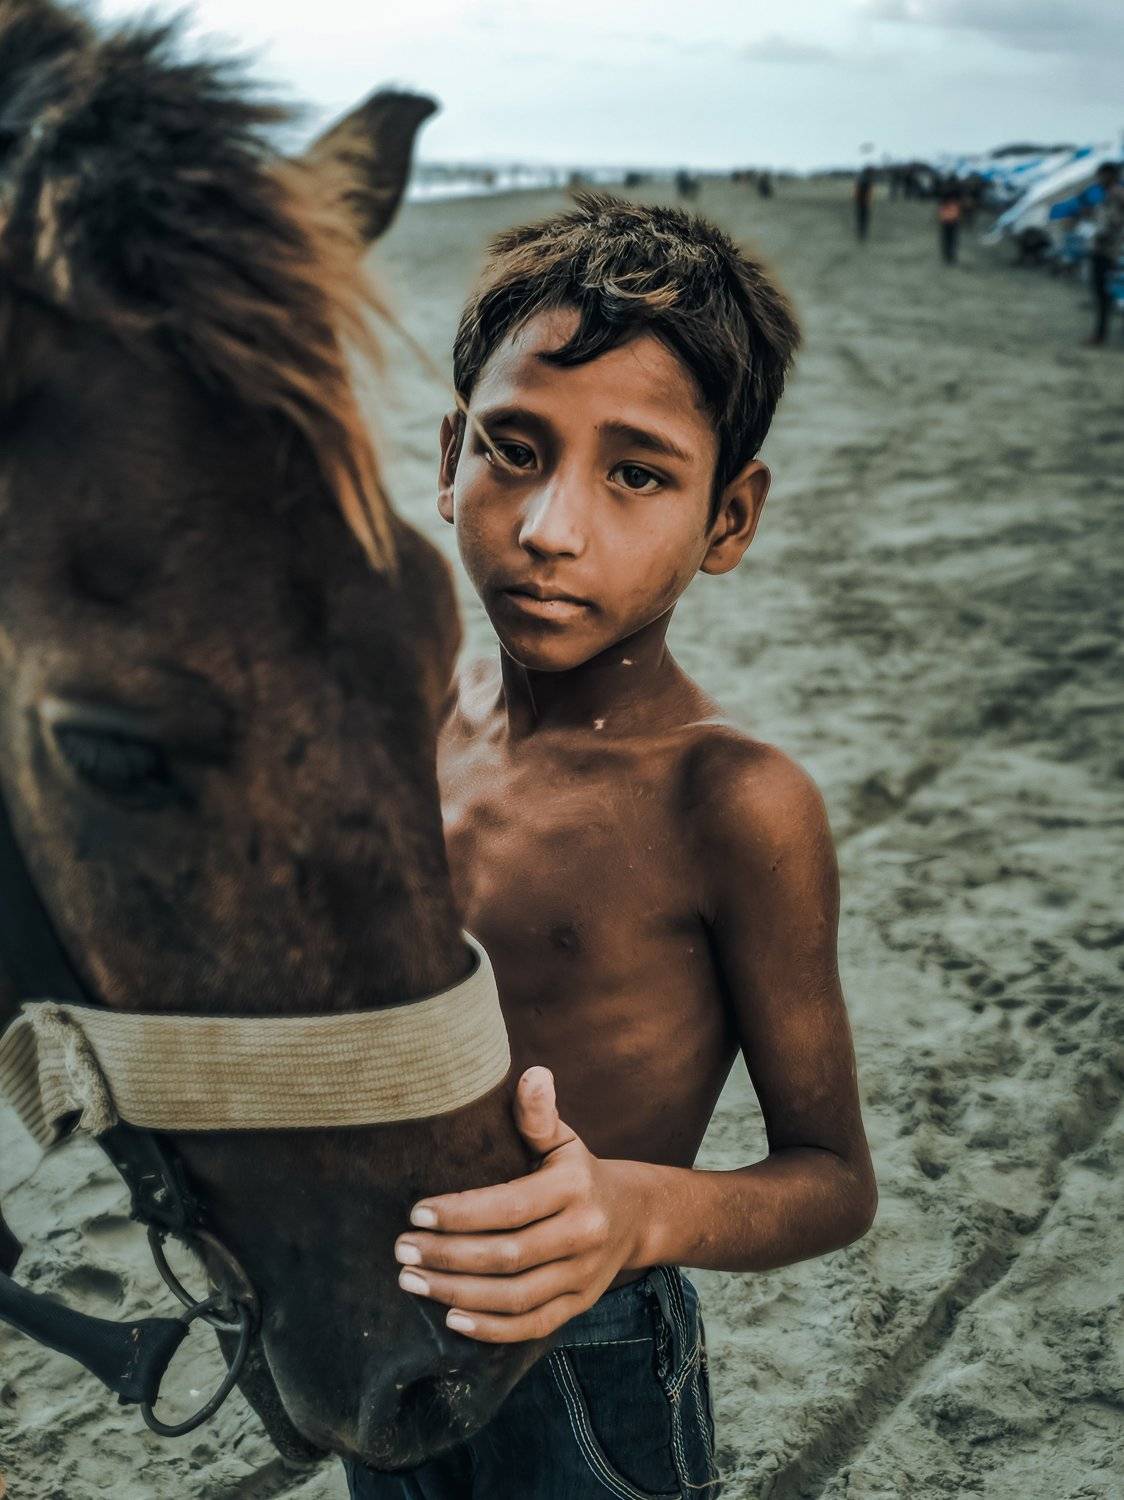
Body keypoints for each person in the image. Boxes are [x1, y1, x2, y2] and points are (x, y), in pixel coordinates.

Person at [347, 194, 878, 1498]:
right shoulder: (420, 722)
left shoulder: (731, 803)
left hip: (593, 1357)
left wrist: (630, 1212)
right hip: (378, 1323)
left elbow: (830, 1181)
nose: (549, 527)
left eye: (636, 473)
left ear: (728, 519)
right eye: (513, 449)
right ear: (448, 457)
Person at [1086, 161, 1124, 347]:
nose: (1098, 179)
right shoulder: (1111, 194)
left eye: (1101, 175)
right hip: (1108, 250)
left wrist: (1100, 235)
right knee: (1106, 294)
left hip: (1108, 251)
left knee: (1105, 294)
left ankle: (1100, 335)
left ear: (1110, 176)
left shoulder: (1116, 195)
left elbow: (1113, 223)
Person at [937, 179, 962, 265]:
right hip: (952, 222)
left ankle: (947, 256)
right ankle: (950, 257)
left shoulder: (944, 201)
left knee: (947, 240)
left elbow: (941, 212)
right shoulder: (954, 202)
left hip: (946, 222)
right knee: (952, 241)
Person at [854, 165, 874, 240]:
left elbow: (857, 191)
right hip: (864, 202)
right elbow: (868, 192)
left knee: (860, 218)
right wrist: (868, 201)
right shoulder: (867, 180)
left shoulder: (860, 179)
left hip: (859, 201)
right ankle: (862, 233)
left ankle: (860, 232)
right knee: (864, 218)